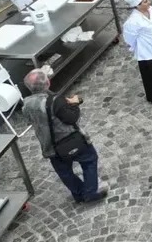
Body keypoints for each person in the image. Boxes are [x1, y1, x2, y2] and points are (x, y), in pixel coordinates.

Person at [21, 69, 107, 203]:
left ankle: (78, 193)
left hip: (49, 146)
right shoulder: (56, 101)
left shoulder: (26, 104)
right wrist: (75, 104)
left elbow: (29, 120)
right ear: (48, 83)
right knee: (89, 160)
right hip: (70, 140)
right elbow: (71, 118)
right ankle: (90, 192)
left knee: (64, 172)